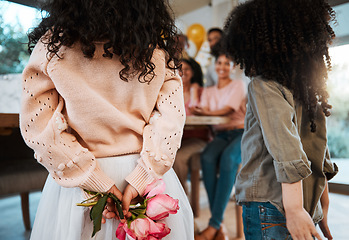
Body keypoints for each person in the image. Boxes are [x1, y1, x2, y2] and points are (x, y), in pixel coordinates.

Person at [20, 0, 194, 239]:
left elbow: (37, 127)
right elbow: (171, 121)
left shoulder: (52, 47)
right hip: (146, 178)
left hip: (79, 182)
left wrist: (92, 180)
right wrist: (143, 176)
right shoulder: (154, 48)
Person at [224, 0, 338, 239]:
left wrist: (295, 209)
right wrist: (320, 205)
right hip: (304, 202)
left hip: (270, 204)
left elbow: (286, 150)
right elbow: (319, 149)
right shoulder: (307, 89)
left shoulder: (263, 85)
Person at [192, 49, 247, 240]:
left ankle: (213, 225)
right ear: (214, 66)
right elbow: (207, 112)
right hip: (221, 135)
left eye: (227, 63)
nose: (222, 66)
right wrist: (206, 112)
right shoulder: (208, 91)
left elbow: (225, 110)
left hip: (240, 132)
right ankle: (219, 224)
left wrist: (206, 112)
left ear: (232, 68)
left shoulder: (238, 85)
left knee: (228, 160)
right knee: (206, 157)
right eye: (219, 63)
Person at [173, 58, 208, 194]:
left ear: (193, 72)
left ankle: (180, 193)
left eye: (186, 69)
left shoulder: (200, 92)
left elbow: (200, 111)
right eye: (179, 69)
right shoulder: (172, 92)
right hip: (177, 139)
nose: (183, 72)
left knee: (178, 157)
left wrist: (193, 91)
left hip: (198, 138)